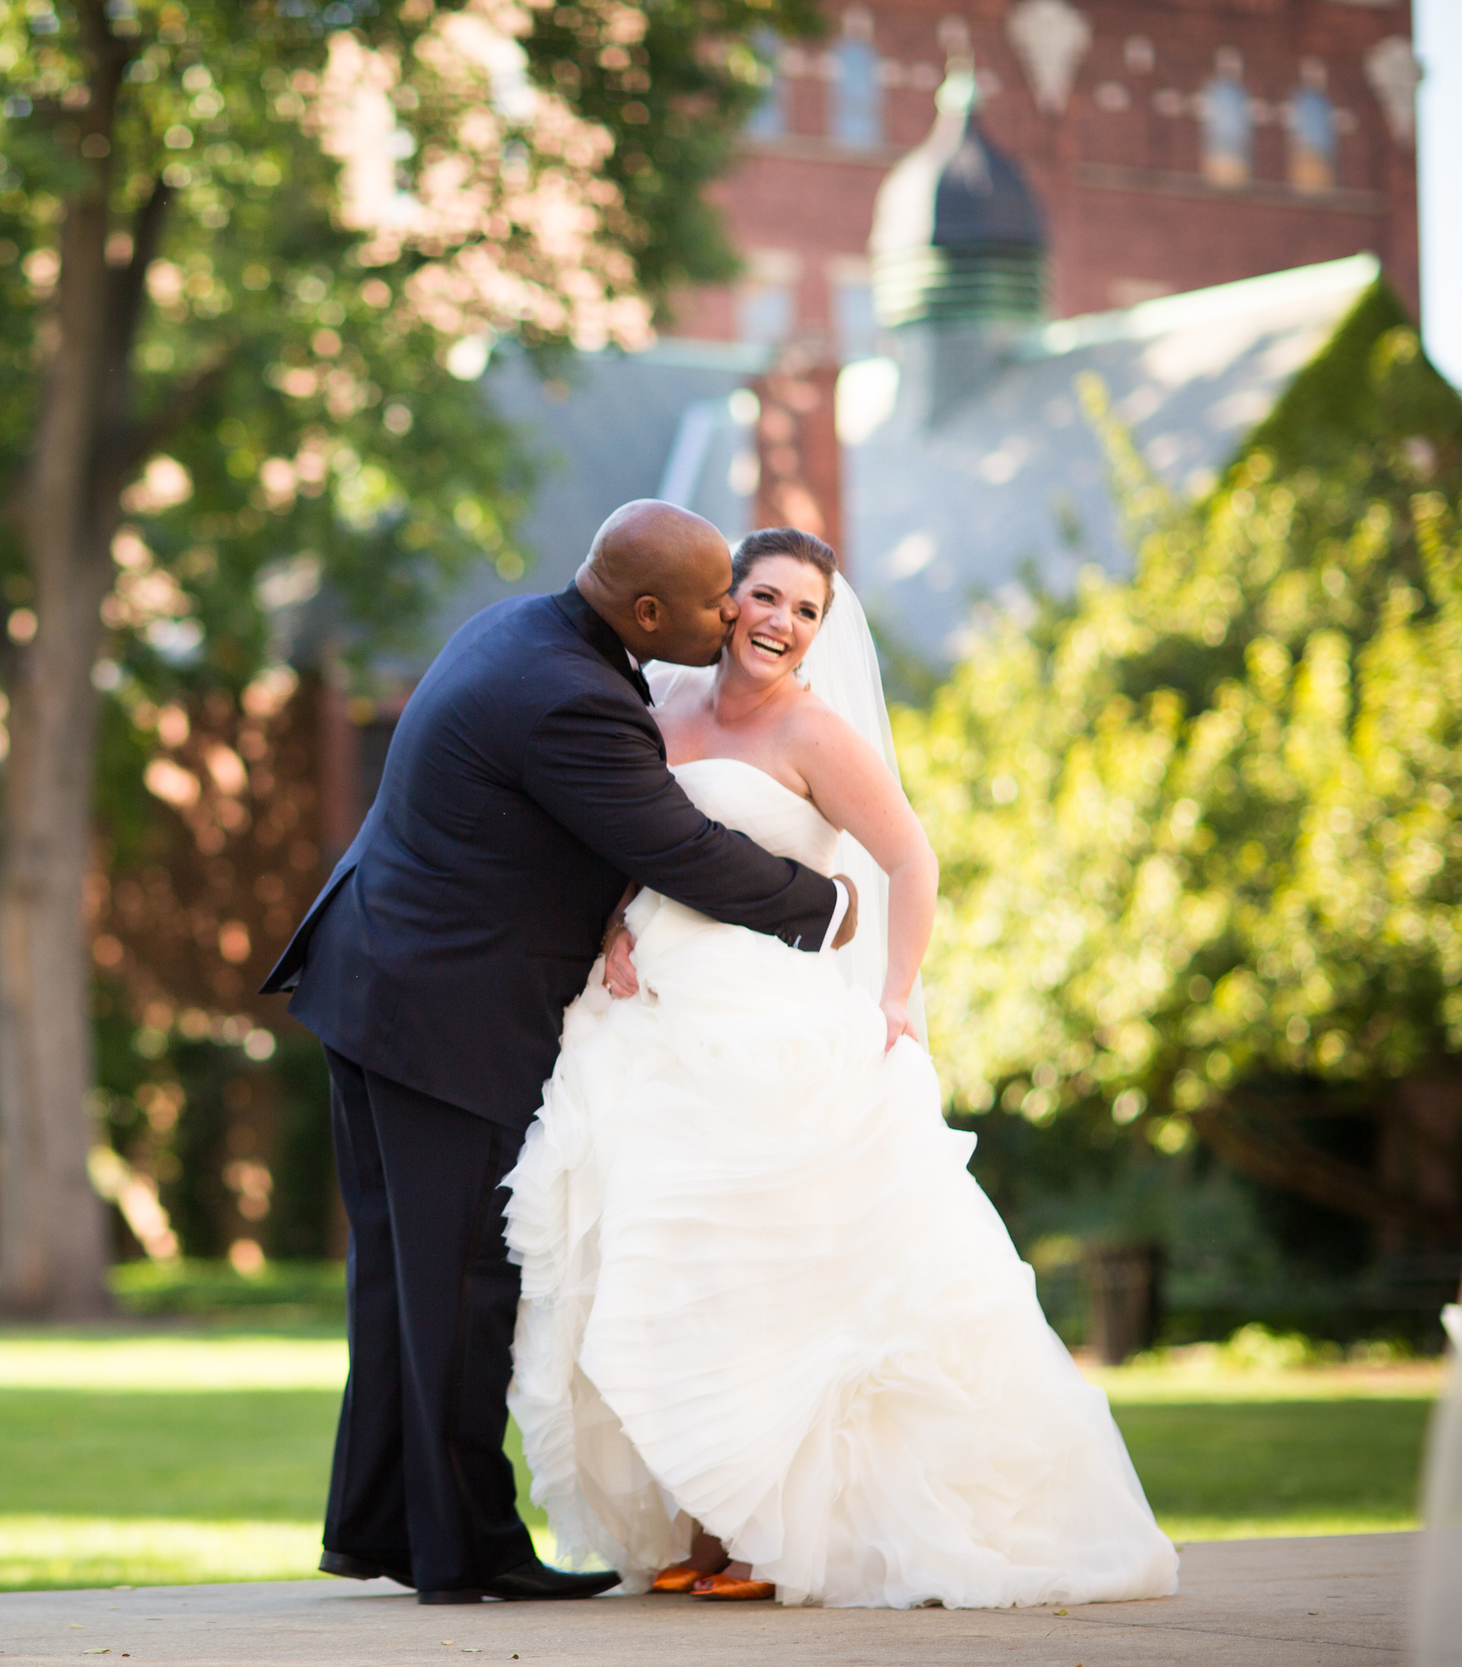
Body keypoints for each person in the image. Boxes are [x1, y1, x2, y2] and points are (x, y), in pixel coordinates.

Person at [502, 527, 1181, 1609]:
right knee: (653, 1264)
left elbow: (912, 857)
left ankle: (765, 1533)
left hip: (761, 1018)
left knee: (753, 1270)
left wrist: (897, 991)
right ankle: (692, 1526)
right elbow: (617, 835)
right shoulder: (657, 699)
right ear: (723, 603)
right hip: (641, 1021)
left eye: (805, 610)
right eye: (763, 596)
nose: (780, 622)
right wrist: (613, 929)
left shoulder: (816, 730)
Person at [259, 502, 859, 1605]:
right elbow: (672, 845)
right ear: (643, 611)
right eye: (713, 599)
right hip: (442, 1017)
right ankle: (465, 1550)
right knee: (459, 1283)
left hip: (378, 983)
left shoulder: (519, 628)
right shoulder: (571, 695)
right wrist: (821, 903)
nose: (733, 613)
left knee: (402, 1276)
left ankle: (385, 1524)